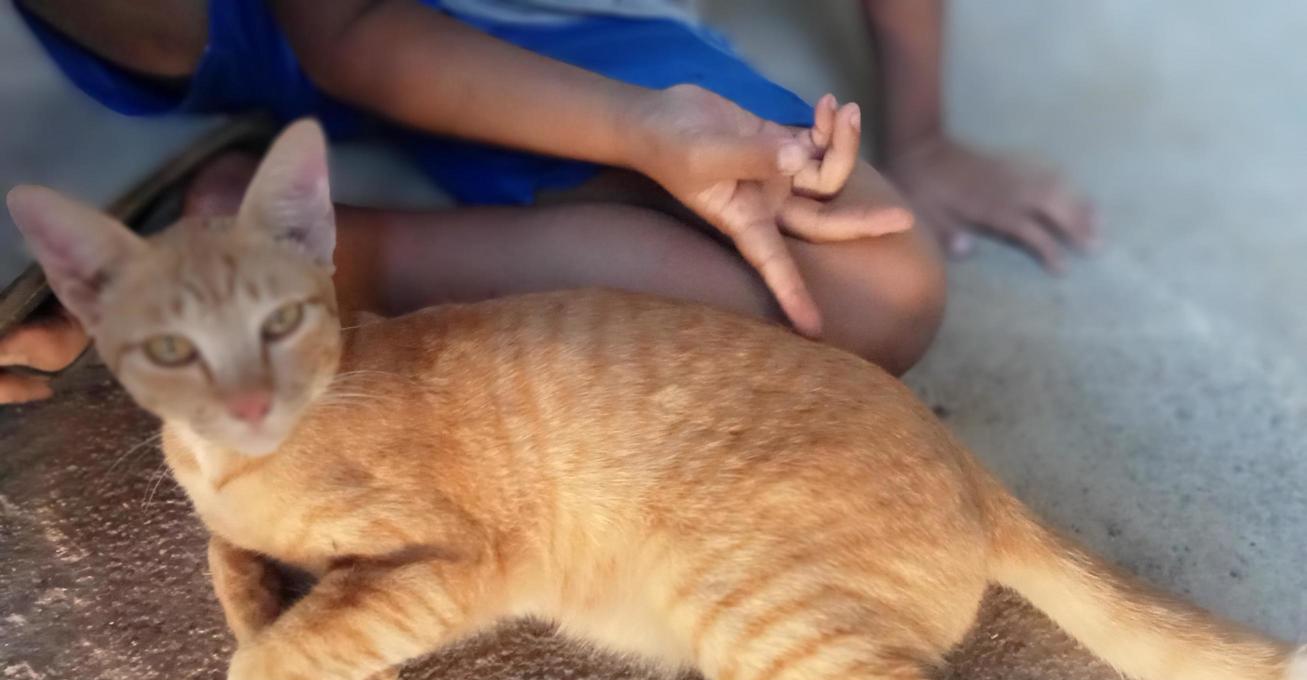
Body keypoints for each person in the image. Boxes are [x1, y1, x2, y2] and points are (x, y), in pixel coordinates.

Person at [0, 0, 1096, 404]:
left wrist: (924, 132)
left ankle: (345, 258)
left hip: (563, 37)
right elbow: (348, 32)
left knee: (877, 286)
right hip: (266, 20)